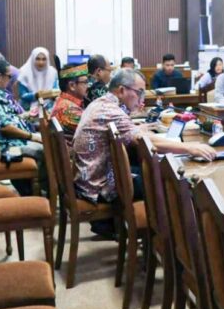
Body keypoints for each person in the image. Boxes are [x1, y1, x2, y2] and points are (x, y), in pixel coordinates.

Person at [72, 69, 215, 238]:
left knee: (154, 170)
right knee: (171, 181)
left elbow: (131, 132)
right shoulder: (111, 111)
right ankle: (177, 237)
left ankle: (170, 234)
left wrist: (138, 128)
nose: (142, 99)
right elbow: (146, 142)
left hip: (91, 178)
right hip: (98, 186)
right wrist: (190, 148)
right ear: (122, 90)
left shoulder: (102, 103)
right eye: (139, 92)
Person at [0, 58, 44, 196]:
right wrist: (32, 136)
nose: (10, 80)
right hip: (6, 146)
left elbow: (6, 118)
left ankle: (34, 190)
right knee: (45, 149)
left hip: (8, 141)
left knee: (45, 144)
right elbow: (5, 128)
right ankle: (35, 192)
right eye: (9, 76)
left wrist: (25, 117)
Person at [51, 63, 89, 146]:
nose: (88, 86)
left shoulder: (64, 102)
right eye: (85, 82)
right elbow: (94, 128)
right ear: (72, 86)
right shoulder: (68, 109)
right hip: (75, 153)